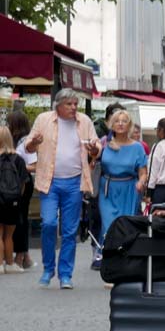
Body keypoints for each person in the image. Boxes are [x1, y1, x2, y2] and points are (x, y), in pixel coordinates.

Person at [24, 89, 98, 289]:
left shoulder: (84, 121)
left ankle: (65, 274)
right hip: (49, 182)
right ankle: (48, 269)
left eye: (75, 104)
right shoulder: (43, 119)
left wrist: (94, 149)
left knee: (69, 231)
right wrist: (34, 143)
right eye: (69, 104)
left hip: (74, 182)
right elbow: (28, 147)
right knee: (48, 224)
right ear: (58, 105)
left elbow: (96, 146)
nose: (74, 107)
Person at [97, 110, 147, 264]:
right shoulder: (104, 143)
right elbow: (92, 161)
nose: (120, 124)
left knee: (126, 226)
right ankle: (109, 261)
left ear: (129, 125)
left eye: (124, 121)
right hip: (108, 189)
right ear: (112, 124)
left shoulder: (137, 147)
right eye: (117, 121)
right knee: (108, 226)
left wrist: (141, 182)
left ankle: (123, 262)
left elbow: (143, 172)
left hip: (129, 189)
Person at [6, 111, 35, 271]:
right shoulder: (11, 140)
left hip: (23, 183)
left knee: (20, 218)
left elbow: (35, 165)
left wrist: (16, 166)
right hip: (12, 182)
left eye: (9, 122)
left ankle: (20, 255)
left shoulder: (26, 141)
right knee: (16, 218)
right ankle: (25, 255)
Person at [0, 127, 27, 272]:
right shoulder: (19, 159)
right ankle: (10, 264)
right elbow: (22, 184)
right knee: (9, 235)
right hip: (13, 202)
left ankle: (0, 265)